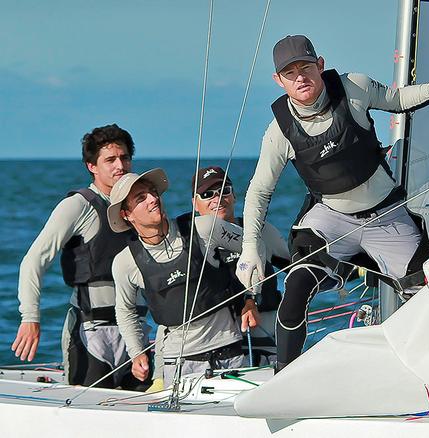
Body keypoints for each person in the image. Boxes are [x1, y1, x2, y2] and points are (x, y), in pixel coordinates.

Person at [236, 35, 429, 371]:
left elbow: (399, 98)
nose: (300, 77)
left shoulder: (354, 88)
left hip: (386, 217)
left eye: (305, 67)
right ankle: (284, 379)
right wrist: (249, 246)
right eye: (290, 72)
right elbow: (259, 192)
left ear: (320, 65)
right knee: (296, 287)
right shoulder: (279, 132)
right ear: (279, 80)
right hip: (332, 218)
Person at [109, 168, 288, 387]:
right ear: (126, 215)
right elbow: (125, 310)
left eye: (153, 192)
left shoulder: (203, 228)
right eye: (141, 198)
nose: (153, 199)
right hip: (179, 362)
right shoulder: (124, 262)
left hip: (229, 352)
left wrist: (251, 298)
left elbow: (254, 245)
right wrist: (137, 353)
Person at [12, 124, 149, 389]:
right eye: (110, 159)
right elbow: (33, 261)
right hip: (91, 332)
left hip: (137, 332)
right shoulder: (78, 205)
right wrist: (30, 317)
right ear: (92, 166)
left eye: (125, 158)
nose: (120, 165)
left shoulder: (140, 207)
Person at [192, 166, 289, 365]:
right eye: (208, 194)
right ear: (195, 203)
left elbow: (296, 267)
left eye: (224, 191)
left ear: (234, 196)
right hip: (218, 347)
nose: (218, 199)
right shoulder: (191, 242)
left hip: (266, 340)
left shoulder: (261, 232)